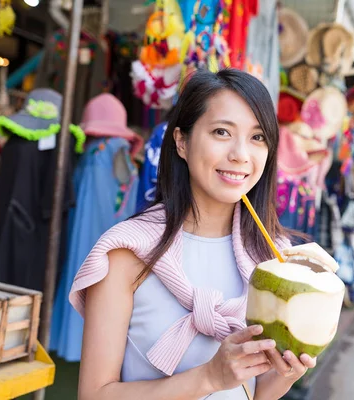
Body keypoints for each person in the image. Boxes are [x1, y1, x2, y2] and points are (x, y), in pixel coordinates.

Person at [68, 69, 316, 400]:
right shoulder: (126, 252)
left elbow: (254, 394)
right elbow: (94, 396)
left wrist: (286, 374)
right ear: (182, 142)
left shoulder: (274, 259)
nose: (241, 154)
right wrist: (209, 378)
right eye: (221, 132)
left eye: (258, 137)